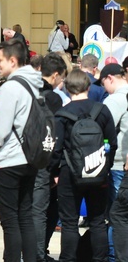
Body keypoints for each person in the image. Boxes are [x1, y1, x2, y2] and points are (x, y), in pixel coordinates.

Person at [51, 68, 116, 262]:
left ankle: (68, 259)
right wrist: (105, 165)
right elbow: (111, 143)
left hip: (69, 175)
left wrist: (54, 172)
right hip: (98, 174)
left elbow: (56, 148)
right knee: (97, 221)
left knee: (70, 223)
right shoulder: (102, 110)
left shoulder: (62, 114)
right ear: (88, 86)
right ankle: (99, 259)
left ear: (68, 88)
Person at [0, 38, 40, 262]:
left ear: (13, 61)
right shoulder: (35, 85)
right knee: (25, 217)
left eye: (0, 61)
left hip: (8, 160)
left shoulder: (10, 87)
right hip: (30, 157)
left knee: (9, 222)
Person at [32, 53, 66, 262]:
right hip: (42, 161)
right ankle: (36, 254)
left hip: (21, 158)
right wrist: (55, 168)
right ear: (54, 75)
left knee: (25, 209)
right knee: (40, 210)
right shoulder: (52, 97)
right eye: (61, 78)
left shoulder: (27, 89)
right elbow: (54, 134)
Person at [97, 63, 128, 261]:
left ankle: (114, 255)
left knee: (117, 214)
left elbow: (102, 130)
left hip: (118, 163)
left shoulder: (114, 100)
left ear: (110, 78)